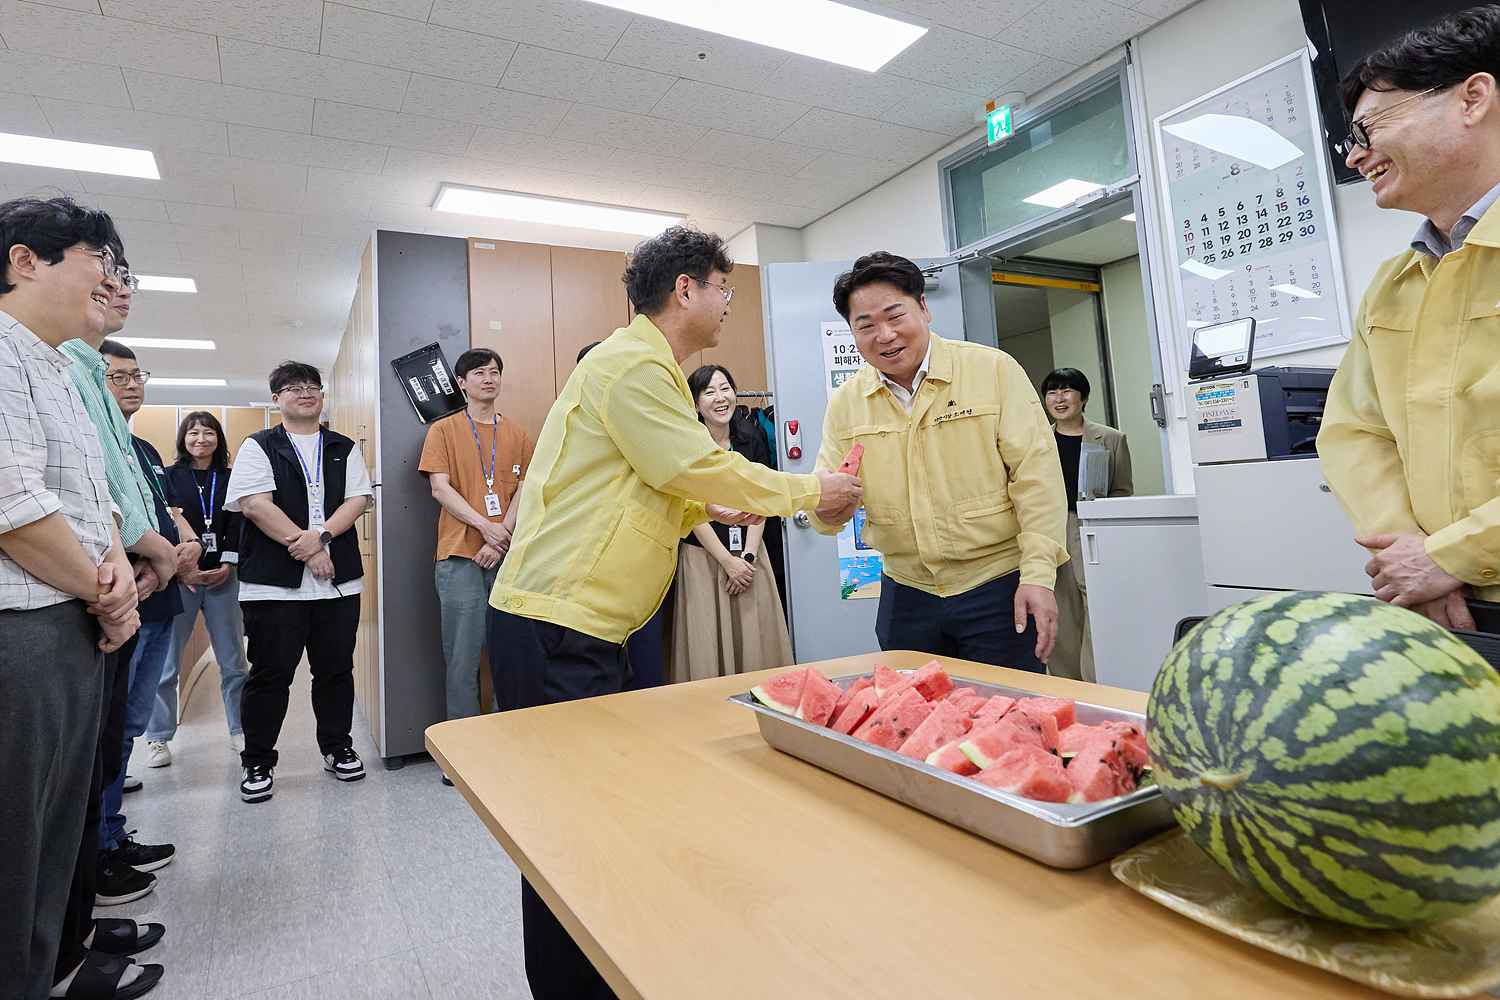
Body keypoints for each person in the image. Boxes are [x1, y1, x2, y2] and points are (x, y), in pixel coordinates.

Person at [488, 226, 861, 1000]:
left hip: (587, 622)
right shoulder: (631, 365)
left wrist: (719, 494)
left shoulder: (644, 368)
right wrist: (807, 492)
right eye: (723, 288)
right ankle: (571, 984)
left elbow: (661, 482)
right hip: (562, 622)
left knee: (589, 816)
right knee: (568, 826)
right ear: (686, 289)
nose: (729, 304)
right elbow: (687, 465)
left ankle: (594, 972)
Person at [0, 196, 144, 1000]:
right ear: (27, 261)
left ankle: (44, 973)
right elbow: (13, 507)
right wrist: (108, 590)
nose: (112, 279)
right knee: (16, 847)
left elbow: (96, 496)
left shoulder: (55, 364)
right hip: (22, 626)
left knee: (55, 833)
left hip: (71, 617)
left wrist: (113, 570)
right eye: (100, 259)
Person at [1320, 7, 1500, 630]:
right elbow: (1353, 431)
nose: (1355, 156)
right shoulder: (1393, 285)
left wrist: (1458, 554)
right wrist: (1410, 561)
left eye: (1370, 126)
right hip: (1440, 606)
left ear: (1472, 98)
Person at [813, 251, 1067, 672]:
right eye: (867, 325)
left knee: (1007, 723)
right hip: (906, 593)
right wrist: (825, 508)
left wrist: (1039, 574)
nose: (885, 335)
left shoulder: (992, 370)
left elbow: (1036, 478)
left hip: (996, 585)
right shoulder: (847, 403)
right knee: (911, 726)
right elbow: (826, 500)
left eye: (895, 316)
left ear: (925, 309)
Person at [226, 361, 373, 803]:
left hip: (338, 584)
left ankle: (337, 747)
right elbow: (254, 504)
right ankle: (257, 760)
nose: (305, 393)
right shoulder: (259, 446)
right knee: (271, 674)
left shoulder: (343, 447)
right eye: (293, 388)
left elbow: (359, 500)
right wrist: (309, 548)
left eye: (313, 387)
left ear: (323, 396)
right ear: (277, 399)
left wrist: (322, 537)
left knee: (335, 671)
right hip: (274, 586)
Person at [95, 338, 190, 885]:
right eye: (118, 376)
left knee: (126, 723)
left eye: (138, 375)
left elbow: (161, 514)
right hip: (128, 600)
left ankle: (111, 830)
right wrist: (156, 564)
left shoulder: (144, 450)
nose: (132, 384)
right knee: (114, 727)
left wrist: (182, 545)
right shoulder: (101, 445)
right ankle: (104, 843)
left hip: (158, 599)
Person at [418, 348, 533, 769]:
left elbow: (527, 490)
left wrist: (500, 537)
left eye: (496, 372)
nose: (489, 378)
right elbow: (440, 489)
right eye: (479, 373)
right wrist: (486, 528)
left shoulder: (518, 433)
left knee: (510, 654)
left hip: (509, 558)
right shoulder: (443, 430)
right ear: (461, 383)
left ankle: (506, 743)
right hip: (459, 557)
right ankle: (463, 755)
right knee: (463, 658)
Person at [670, 364, 794, 681]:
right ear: (696, 404)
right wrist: (727, 561)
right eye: (709, 392)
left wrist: (747, 558)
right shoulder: (687, 447)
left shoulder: (752, 438)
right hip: (704, 560)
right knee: (707, 648)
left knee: (758, 646)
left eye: (725, 388)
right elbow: (688, 507)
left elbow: (761, 499)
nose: (720, 397)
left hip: (751, 558)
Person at [148, 410, 250, 761]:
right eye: (193, 434)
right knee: (166, 664)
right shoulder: (170, 478)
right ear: (183, 439)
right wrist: (182, 570)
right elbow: (164, 522)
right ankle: (158, 737)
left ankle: (239, 729)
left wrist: (228, 562)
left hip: (224, 576)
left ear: (218, 439)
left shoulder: (231, 477)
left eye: (208, 433)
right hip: (181, 580)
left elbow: (239, 522)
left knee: (234, 661)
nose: (200, 440)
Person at [576, 339, 668, 688]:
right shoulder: (573, 431)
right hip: (592, 580)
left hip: (639, 569)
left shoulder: (646, 426)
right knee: (599, 681)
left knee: (645, 670)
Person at [1041, 367, 1133, 682]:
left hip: (1093, 528)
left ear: (1083, 397)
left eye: (1067, 390)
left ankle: (1099, 683)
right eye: (1052, 392)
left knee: (1098, 608)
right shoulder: (1037, 440)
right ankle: (1068, 685)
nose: (1059, 398)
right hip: (1052, 529)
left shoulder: (1110, 439)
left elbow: (1122, 490)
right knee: (1061, 611)